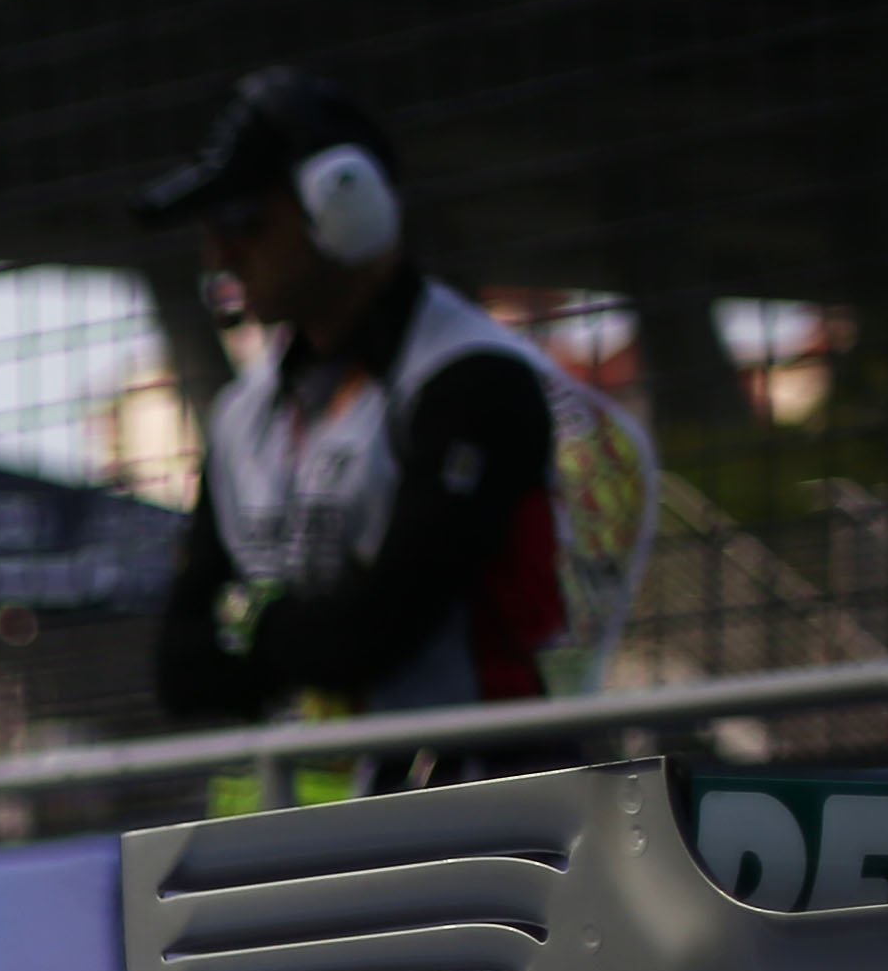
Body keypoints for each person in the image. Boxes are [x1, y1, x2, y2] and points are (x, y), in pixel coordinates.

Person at [139, 68, 571, 780]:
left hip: (485, 806)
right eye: (211, 229)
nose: (220, 254)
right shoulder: (241, 416)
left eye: (242, 220)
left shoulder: (474, 379)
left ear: (345, 207)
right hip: (300, 820)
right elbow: (180, 669)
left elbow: (378, 632)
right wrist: (306, 633)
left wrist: (247, 623)